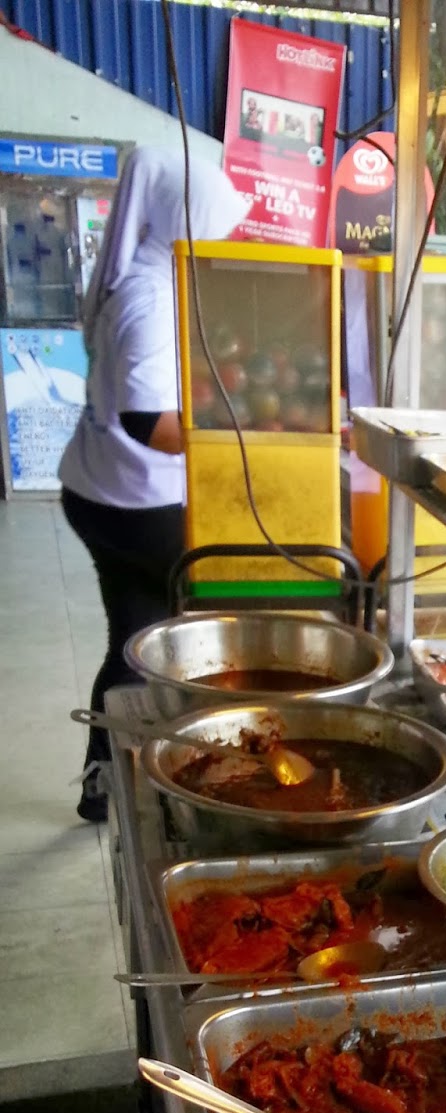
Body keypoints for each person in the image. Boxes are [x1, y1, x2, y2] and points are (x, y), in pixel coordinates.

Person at [59, 148, 246, 822]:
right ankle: (198, 783)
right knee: (214, 628)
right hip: (135, 501)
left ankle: (100, 782)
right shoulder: (148, 296)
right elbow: (148, 421)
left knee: (132, 639)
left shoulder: (151, 276)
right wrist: (240, 434)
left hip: (102, 492)